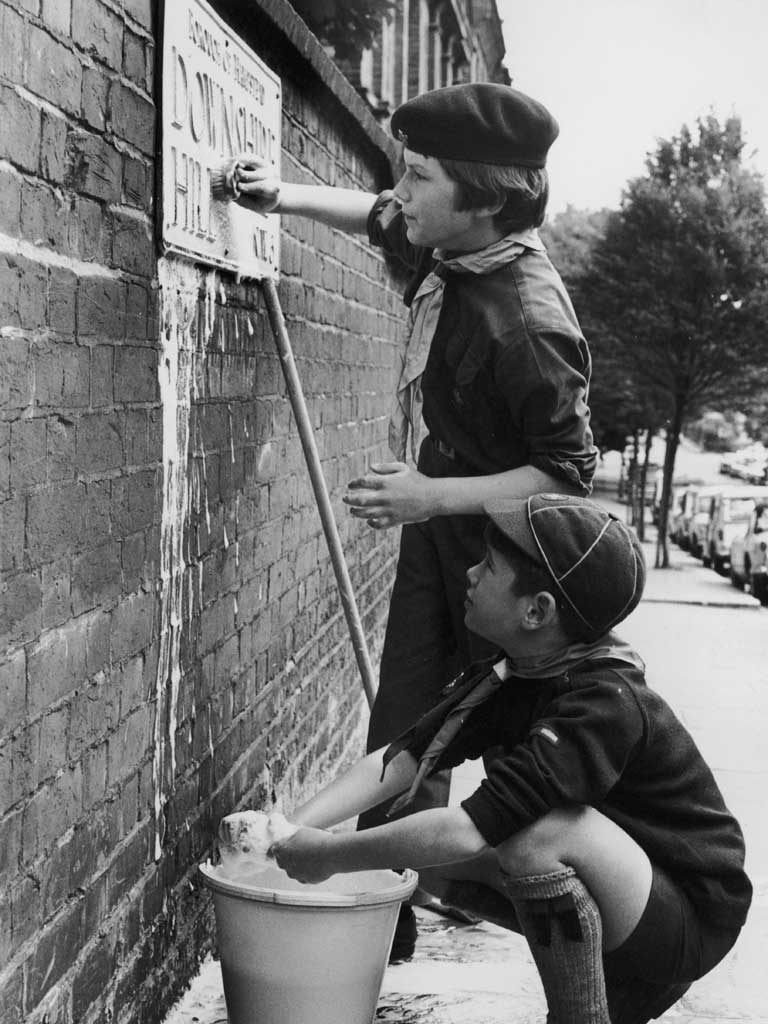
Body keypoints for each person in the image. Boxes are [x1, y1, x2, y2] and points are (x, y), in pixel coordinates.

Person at [234, 82, 597, 955]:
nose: (401, 190)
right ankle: (377, 930)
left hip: (511, 572)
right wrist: (278, 194)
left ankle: (595, 925)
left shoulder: (530, 324)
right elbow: (377, 215)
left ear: (485, 199)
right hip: (442, 542)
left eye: (421, 175)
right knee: (406, 732)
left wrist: (427, 497)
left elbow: (565, 480)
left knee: (528, 760)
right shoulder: (458, 241)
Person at [268, 494, 752, 1024]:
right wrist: (287, 833)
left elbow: (468, 831)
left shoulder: (604, 703)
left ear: (536, 610)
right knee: (412, 863)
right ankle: (618, 991)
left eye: (489, 566)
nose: (471, 573)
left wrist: (331, 855)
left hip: (686, 919)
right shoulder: (516, 673)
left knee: (537, 836)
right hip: (629, 894)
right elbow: (400, 759)